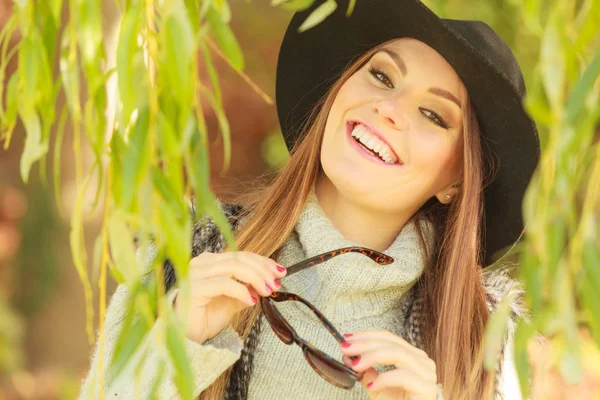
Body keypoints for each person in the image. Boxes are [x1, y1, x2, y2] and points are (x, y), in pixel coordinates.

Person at [78, 0, 541, 398]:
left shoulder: (488, 344)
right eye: (381, 76)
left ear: (456, 182)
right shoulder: (183, 255)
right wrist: (174, 346)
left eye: (432, 115)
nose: (390, 109)